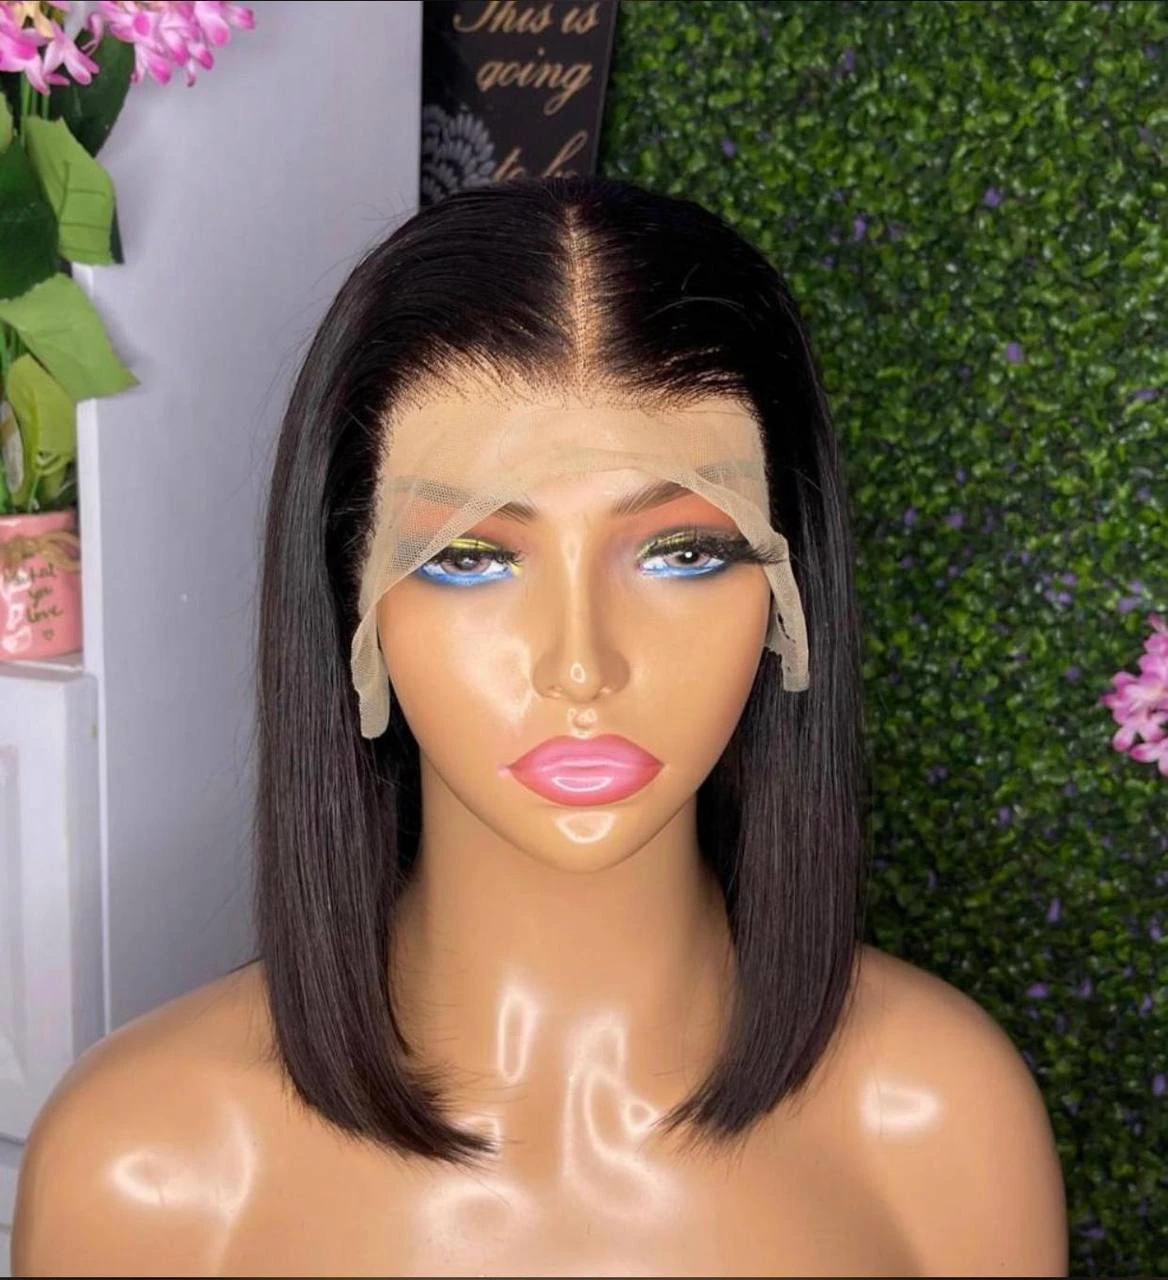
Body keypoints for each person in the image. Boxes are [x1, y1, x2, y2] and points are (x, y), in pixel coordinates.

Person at [11, 175, 1067, 1277]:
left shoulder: (938, 1120)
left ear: (787, 594)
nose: (580, 665)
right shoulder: (144, 1171)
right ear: (351, 601)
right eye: (470, 558)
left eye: (683, 552)